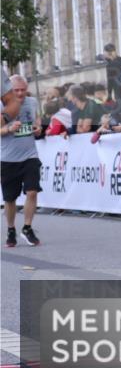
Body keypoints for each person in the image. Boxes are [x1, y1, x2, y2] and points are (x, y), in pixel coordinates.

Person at [2, 75, 42, 248]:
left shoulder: (32, 102)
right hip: (8, 158)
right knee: (10, 199)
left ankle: (27, 228)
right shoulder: (3, 104)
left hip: (30, 155)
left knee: (32, 191)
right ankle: (11, 229)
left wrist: (38, 128)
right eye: (16, 90)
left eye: (22, 90)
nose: (19, 93)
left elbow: (37, 121)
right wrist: (8, 128)